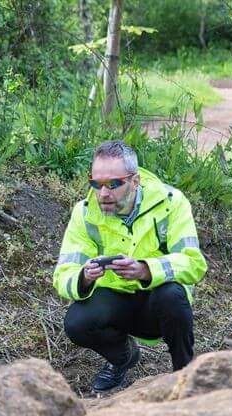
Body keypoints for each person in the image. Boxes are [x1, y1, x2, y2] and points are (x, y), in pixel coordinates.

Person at [53, 140, 207, 392]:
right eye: (96, 184)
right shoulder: (83, 212)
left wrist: (147, 269)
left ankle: (184, 374)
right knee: (77, 322)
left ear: (134, 181)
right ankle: (123, 359)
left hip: (158, 304)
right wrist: (85, 277)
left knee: (172, 295)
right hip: (115, 302)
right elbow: (63, 275)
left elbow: (193, 262)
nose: (103, 193)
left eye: (113, 184)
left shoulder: (172, 202)